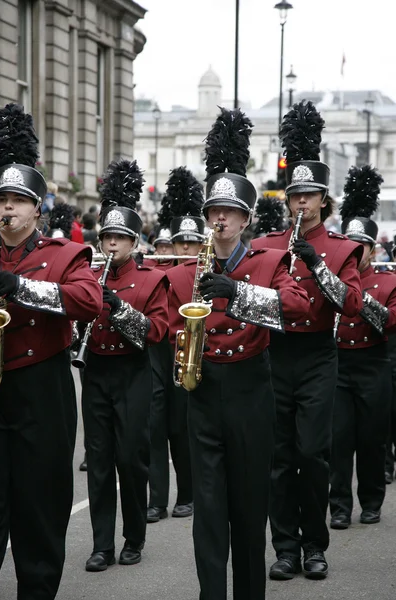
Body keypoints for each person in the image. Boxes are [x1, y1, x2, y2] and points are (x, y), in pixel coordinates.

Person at [167, 107, 311, 600]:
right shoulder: (188, 269)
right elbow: (170, 327)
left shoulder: (270, 260)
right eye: (212, 212)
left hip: (252, 388)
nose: (219, 219)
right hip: (204, 390)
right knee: (208, 512)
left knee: (249, 509)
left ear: (247, 219)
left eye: (228, 212)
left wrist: (236, 293)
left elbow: (295, 307)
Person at [252, 100, 363, 580]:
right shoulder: (266, 245)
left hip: (318, 355)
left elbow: (352, 304)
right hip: (275, 353)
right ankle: (285, 547)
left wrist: (316, 265)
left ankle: (315, 545)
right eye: (293, 195)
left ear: (323, 200)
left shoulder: (341, 249)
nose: (299, 203)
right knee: (277, 457)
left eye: (308, 195)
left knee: (312, 455)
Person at [0, 103, 102, 599]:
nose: (7, 209)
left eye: (19, 200)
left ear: (39, 208)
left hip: (42, 390)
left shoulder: (64, 254)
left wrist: (18, 287)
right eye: (1, 200)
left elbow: (88, 301)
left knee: (39, 509)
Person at [81, 159, 168, 572]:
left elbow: (157, 331)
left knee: (131, 460)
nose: (111, 244)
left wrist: (120, 310)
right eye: (107, 237)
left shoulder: (152, 280)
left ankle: (134, 536)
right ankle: (101, 544)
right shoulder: (89, 276)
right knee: (98, 461)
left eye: (119, 237)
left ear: (134, 241)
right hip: (96, 371)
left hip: (133, 373)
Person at [329, 165, 396, 528]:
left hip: (373, 363)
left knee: (371, 438)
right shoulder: (332, 277)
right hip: (338, 364)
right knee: (338, 439)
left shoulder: (387, 281)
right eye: (350, 246)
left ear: (372, 249)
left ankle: (371, 501)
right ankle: (339, 505)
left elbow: (390, 320)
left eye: (362, 247)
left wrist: (355, 298)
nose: (356, 252)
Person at [147, 167, 205, 524]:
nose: (185, 247)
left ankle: (188, 493)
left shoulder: (206, 272)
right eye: (181, 242)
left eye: (192, 242)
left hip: (189, 350)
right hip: (157, 351)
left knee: (182, 430)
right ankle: (156, 499)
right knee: (154, 426)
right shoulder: (157, 272)